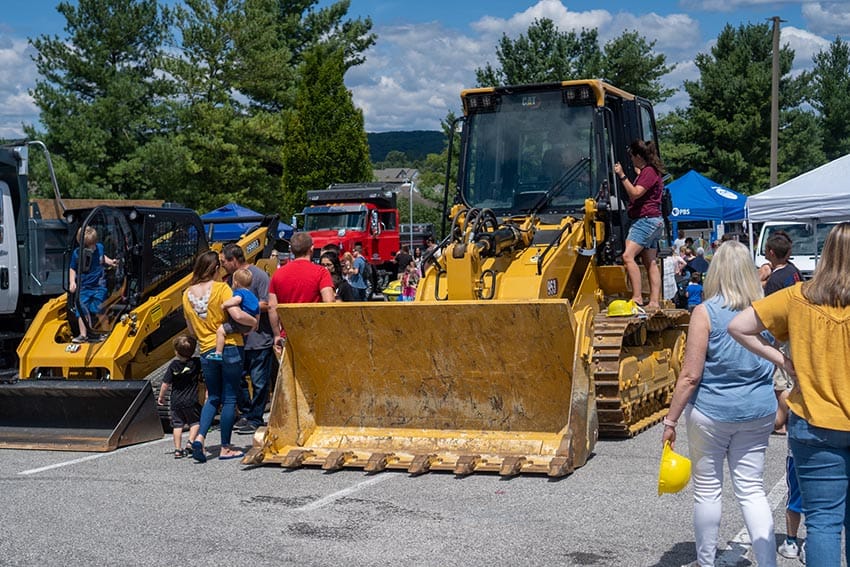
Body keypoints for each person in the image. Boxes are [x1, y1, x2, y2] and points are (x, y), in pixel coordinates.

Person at [728, 222, 850, 567]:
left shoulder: (797, 297)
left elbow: (738, 326)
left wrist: (783, 359)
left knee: (823, 523)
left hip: (814, 423)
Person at [661, 241, 777, 567]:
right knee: (752, 489)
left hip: (712, 412)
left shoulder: (706, 312)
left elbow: (690, 376)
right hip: (759, 409)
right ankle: (768, 562)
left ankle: (706, 561)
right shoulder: (767, 309)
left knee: (708, 491)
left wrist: (670, 421)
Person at [182, 250, 245, 462]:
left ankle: (199, 438)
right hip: (230, 346)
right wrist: (251, 323)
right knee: (229, 398)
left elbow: (191, 330)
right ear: (215, 269)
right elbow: (235, 315)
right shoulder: (221, 289)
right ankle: (226, 446)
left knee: (212, 397)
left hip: (207, 350)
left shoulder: (186, 294)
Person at [219, 243, 274, 436]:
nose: (222, 265)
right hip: (238, 340)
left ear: (234, 260)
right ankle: (246, 412)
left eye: (224, 261)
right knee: (239, 379)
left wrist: (245, 306)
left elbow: (268, 302)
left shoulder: (258, 276)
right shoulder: (228, 280)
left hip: (259, 339)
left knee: (259, 380)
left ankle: (255, 417)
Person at [613, 139, 665, 310]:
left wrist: (621, 175)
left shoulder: (649, 172)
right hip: (655, 220)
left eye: (632, 157)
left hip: (645, 220)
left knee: (628, 256)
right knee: (650, 262)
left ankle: (636, 298)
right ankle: (654, 301)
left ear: (637, 156)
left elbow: (635, 193)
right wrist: (638, 173)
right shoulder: (649, 171)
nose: (631, 160)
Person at [268, 232, 335, 354]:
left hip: (289, 335)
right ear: (312, 249)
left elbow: (272, 307)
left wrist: (277, 334)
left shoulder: (277, 274)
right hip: (315, 334)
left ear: (292, 250)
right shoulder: (321, 272)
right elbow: (329, 302)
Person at [68, 226, 118, 343]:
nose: (93, 247)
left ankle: (105, 332)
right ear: (82, 244)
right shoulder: (77, 254)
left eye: (94, 244)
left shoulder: (99, 248)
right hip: (84, 287)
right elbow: (72, 268)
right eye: (90, 245)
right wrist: (72, 282)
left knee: (100, 309)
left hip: (98, 286)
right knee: (82, 310)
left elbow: (102, 258)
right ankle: (83, 335)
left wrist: (111, 261)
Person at [157, 335, 202, 459]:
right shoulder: (196, 363)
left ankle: (177, 449)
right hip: (191, 400)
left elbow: (165, 383)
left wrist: (161, 396)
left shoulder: (173, 365)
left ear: (176, 351)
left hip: (176, 401)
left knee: (177, 425)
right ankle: (190, 442)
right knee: (195, 422)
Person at [210, 267, 258, 361]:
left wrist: (224, 304)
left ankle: (218, 353)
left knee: (220, 331)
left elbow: (237, 300)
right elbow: (257, 312)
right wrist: (254, 327)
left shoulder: (239, 292)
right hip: (248, 325)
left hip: (239, 323)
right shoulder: (253, 296)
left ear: (235, 283)